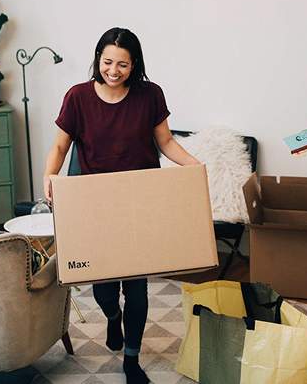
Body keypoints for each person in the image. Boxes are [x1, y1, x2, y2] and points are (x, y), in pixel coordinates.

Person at [43, 27, 199, 384]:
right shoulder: (78, 97)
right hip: (95, 204)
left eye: (123, 65)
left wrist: (193, 165)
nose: (114, 70)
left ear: (135, 65)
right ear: (98, 59)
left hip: (140, 201)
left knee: (137, 285)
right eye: (108, 61)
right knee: (103, 289)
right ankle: (113, 318)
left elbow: (166, 141)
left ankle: (131, 359)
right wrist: (49, 175)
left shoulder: (149, 95)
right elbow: (59, 146)